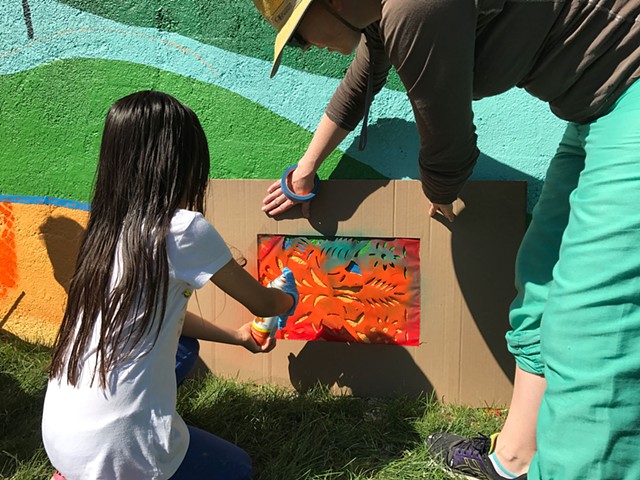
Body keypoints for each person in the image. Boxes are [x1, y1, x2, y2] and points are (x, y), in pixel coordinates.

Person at [252, 1, 640, 479]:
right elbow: (360, 83)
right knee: (539, 280)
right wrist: (306, 170)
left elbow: (448, 139)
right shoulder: (383, 15)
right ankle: (514, 459)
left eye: (296, 35)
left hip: (631, 98)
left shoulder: (414, 6)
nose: (306, 48)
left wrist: (441, 191)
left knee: (596, 328)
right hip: (594, 113)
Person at [41, 90, 299, 480]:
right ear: (182, 162)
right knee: (238, 470)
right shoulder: (181, 229)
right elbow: (265, 304)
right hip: (114, 449)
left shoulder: (108, 229)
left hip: (60, 439)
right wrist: (288, 295)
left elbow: (160, 316)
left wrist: (237, 336)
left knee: (183, 348)